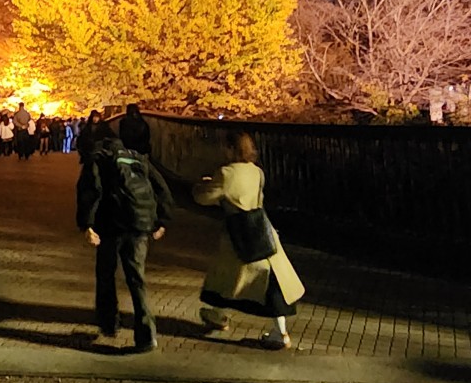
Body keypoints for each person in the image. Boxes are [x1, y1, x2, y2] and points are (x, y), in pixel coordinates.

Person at [192, 131, 305, 349]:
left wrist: (200, 185)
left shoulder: (226, 173)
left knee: (229, 277)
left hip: (238, 235)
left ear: (231, 149)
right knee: (271, 281)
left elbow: (205, 197)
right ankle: (277, 330)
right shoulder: (257, 172)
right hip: (261, 229)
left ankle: (221, 315)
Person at [76, 128, 173, 352]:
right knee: (136, 278)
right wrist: (162, 220)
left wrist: (86, 224)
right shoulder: (136, 157)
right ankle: (146, 334)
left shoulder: (98, 158)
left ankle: (108, 322)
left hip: (111, 225)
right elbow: (161, 188)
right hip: (139, 225)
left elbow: (91, 191)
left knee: (106, 274)